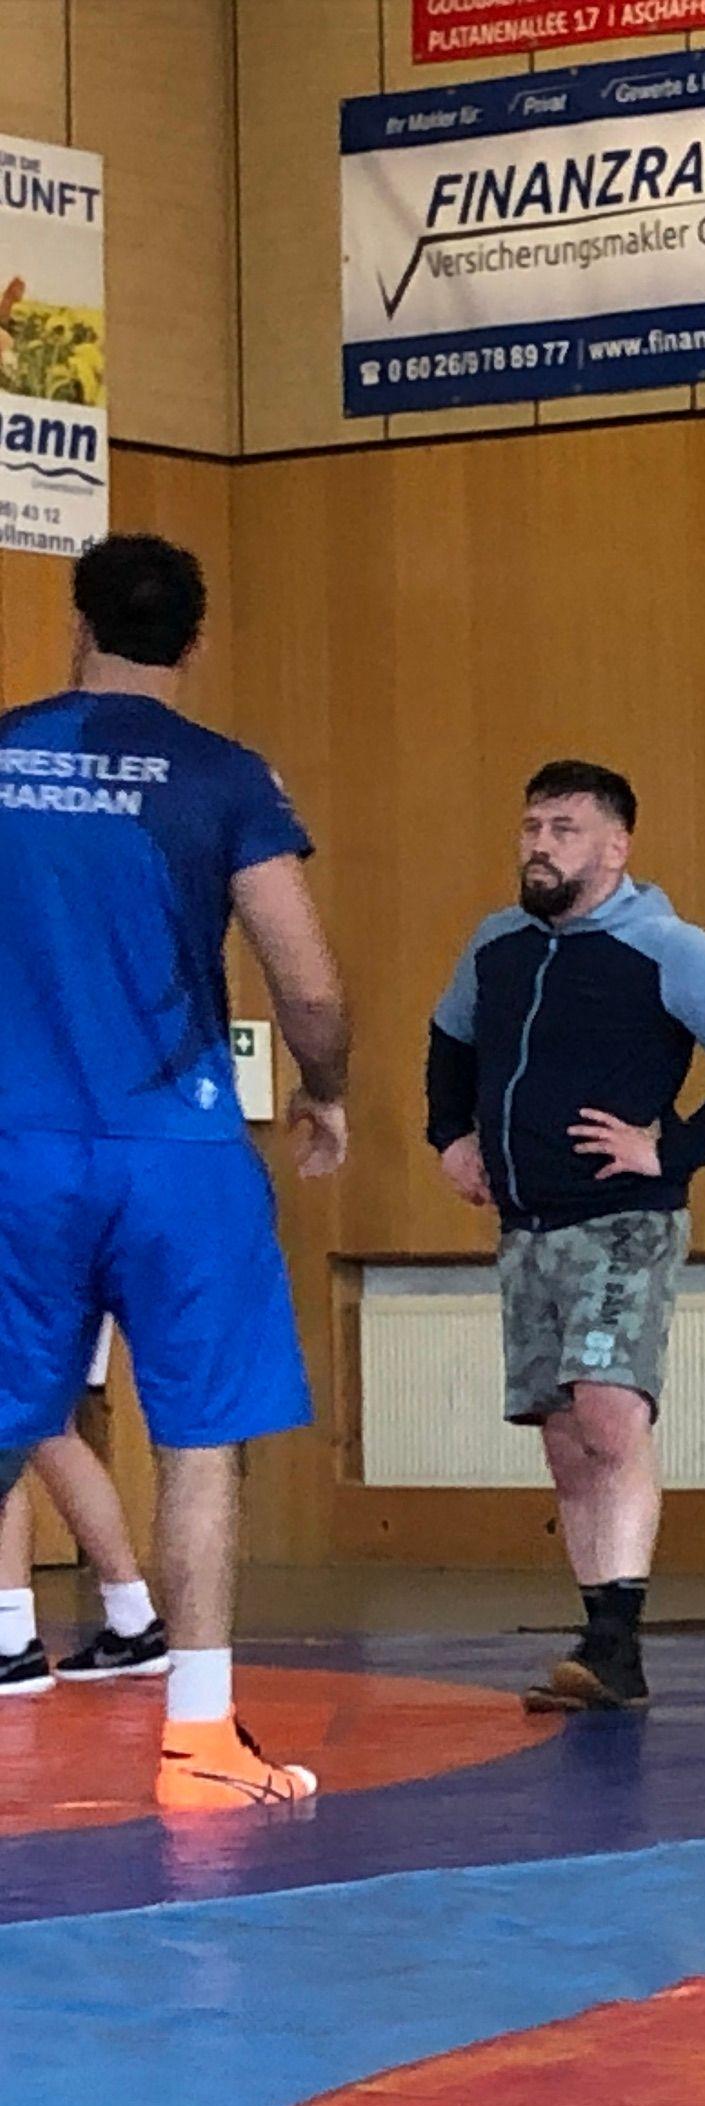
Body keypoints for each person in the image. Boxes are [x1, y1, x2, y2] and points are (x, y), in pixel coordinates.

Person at [0, 532, 350, 1809]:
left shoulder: (2, 752)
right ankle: (200, 1743)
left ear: (75, 620)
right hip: (180, 1149)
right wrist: (325, 1091)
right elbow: (303, 979)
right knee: (199, 1439)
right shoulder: (227, 777)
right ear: (194, 644)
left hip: (14, 1144)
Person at [424, 760, 705, 1714]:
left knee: (609, 1411)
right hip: (528, 1223)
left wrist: (672, 1148)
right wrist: (451, 1136)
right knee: (561, 1434)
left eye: (564, 829)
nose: (541, 845)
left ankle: (621, 1639)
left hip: (621, 1219)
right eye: (531, 827)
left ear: (614, 846)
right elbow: (451, 1042)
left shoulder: (666, 946)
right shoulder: (498, 944)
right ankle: (600, 1640)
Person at [0, 1323, 166, 1692]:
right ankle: (133, 1622)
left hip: (28, 1278)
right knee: (50, 1426)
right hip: (67, 1277)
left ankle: (10, 1642)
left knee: (14, 1422)